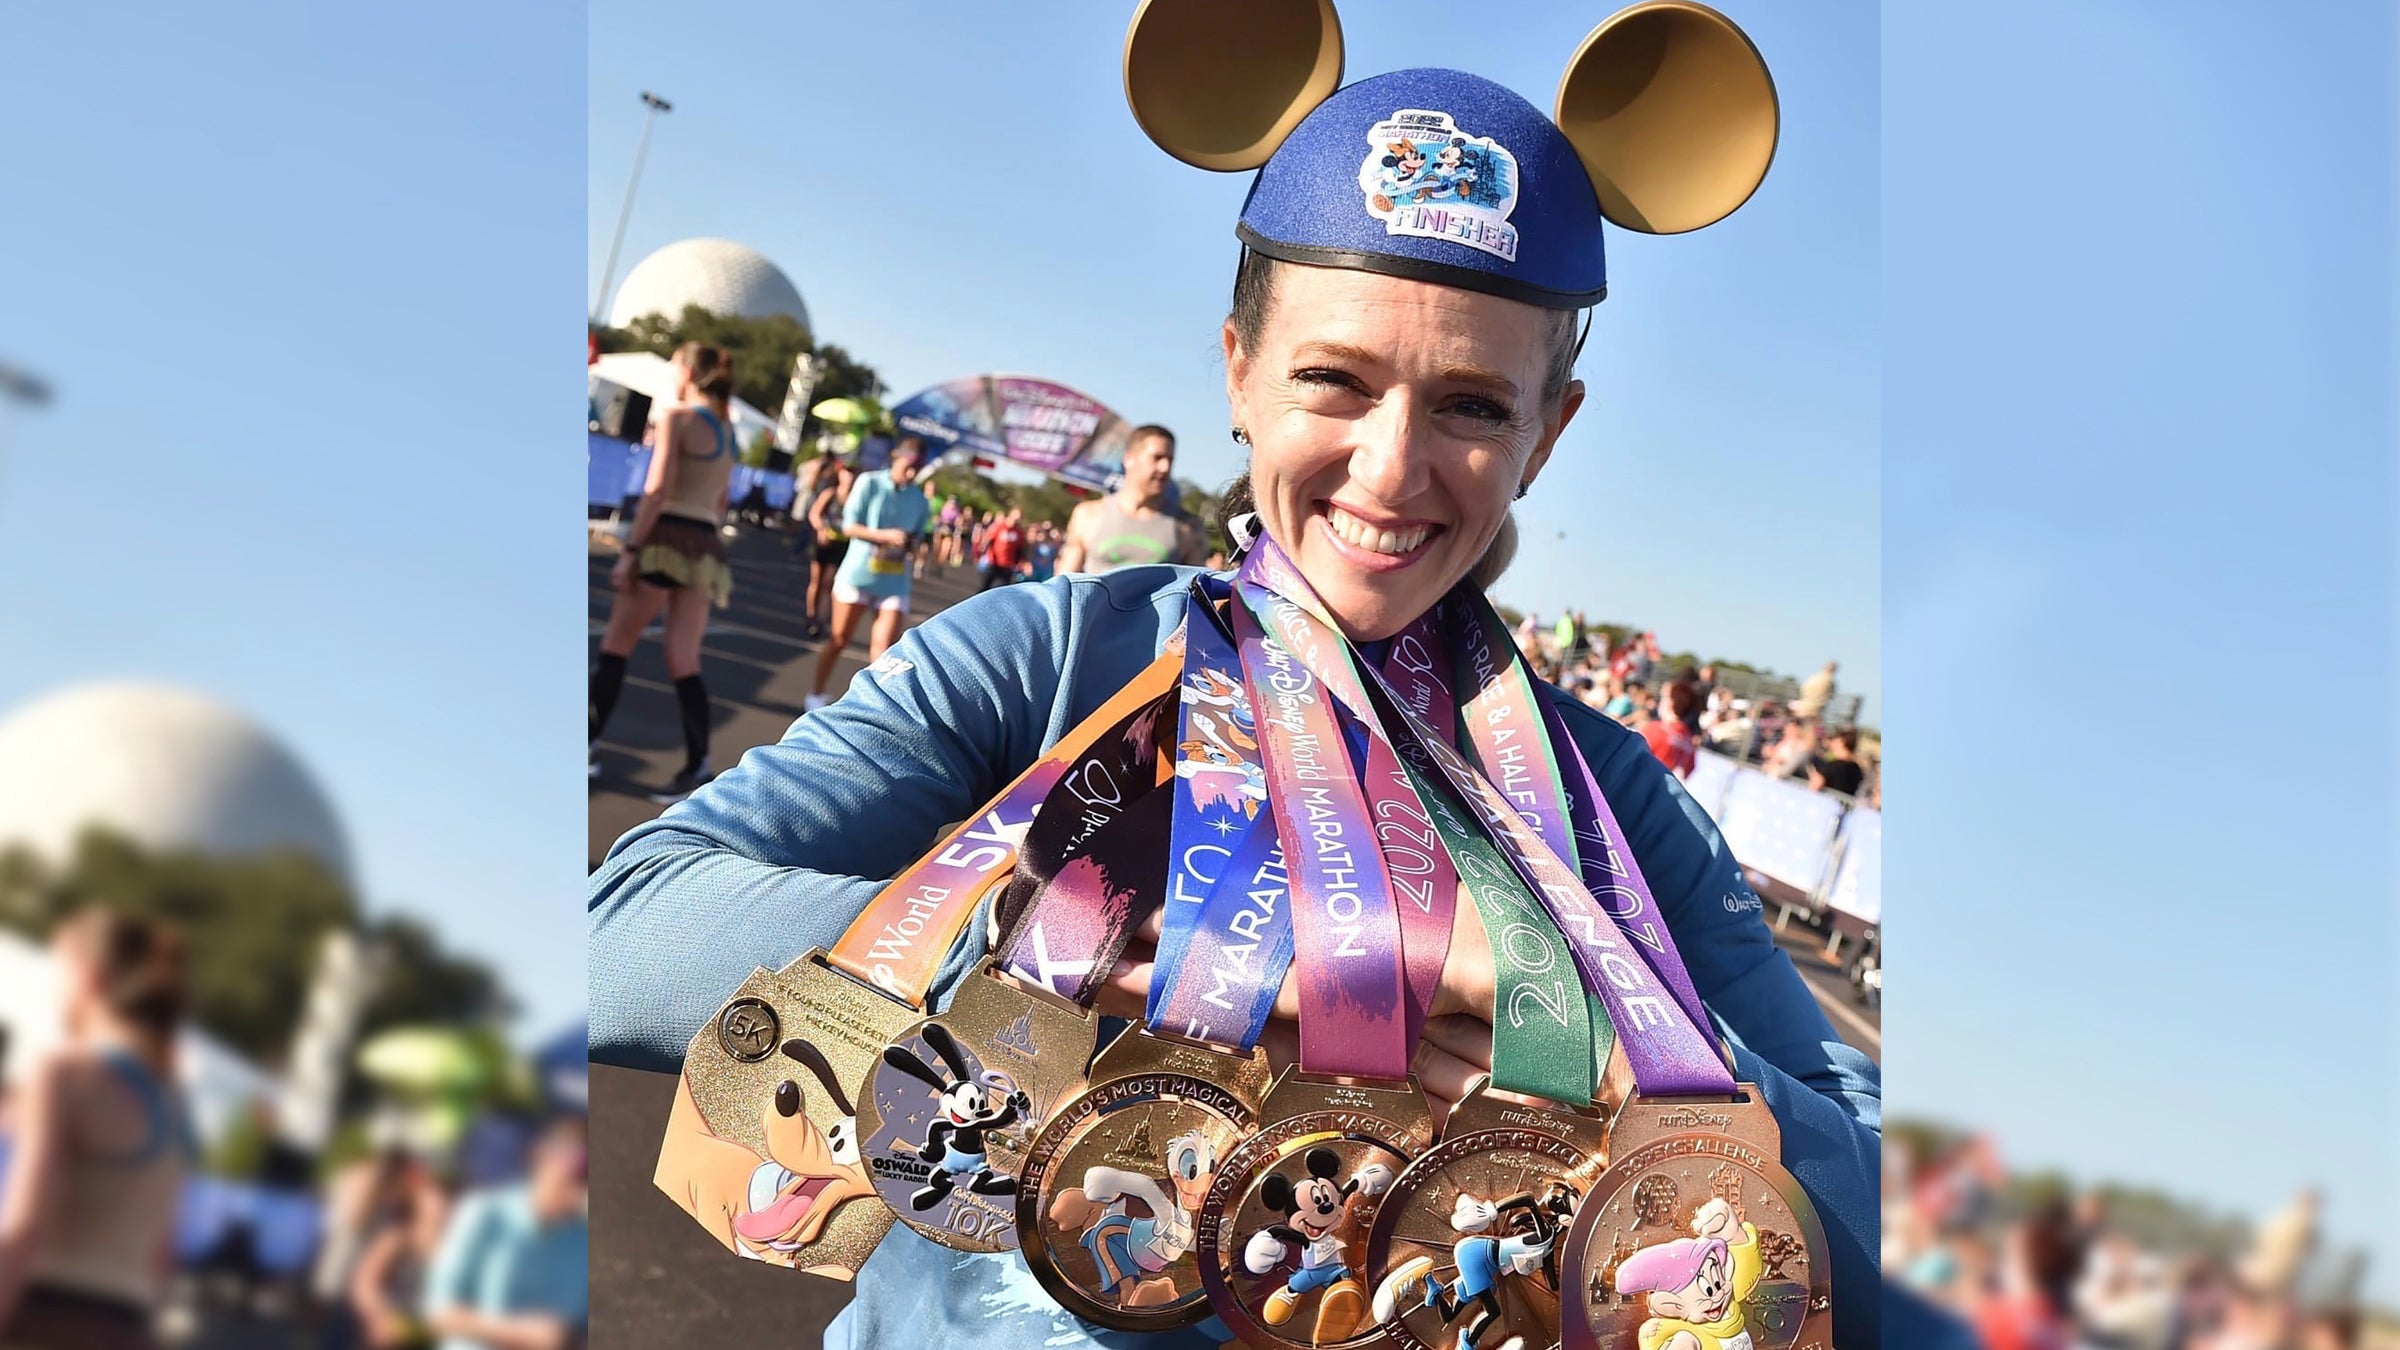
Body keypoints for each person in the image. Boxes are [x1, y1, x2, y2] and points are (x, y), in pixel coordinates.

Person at [590, 33, 1877, 1350]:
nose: (1392, 468)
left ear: (1548, 434)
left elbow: (1904, 1216)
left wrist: (1621, 1054)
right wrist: (1071, 935)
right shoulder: (1048, 656)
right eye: (1335, 380)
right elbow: (616, 932)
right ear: (1239, 371)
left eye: (1475, 407)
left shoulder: (1618, 799)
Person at [0, 909, 195, 1350]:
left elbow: (25, 1225)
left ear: (88, 977)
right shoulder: (175, 1099)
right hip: (128, 1327)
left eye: (58, 975)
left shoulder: (65, 1073)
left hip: (44, 1318)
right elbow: (164, 1255)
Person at [588, 342, 739, 802]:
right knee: (684, 659)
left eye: (675, 366)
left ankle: (586, 748)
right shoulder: (728, 429)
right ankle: (698, 765)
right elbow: (720, 500)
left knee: (617, 645)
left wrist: (631, 550)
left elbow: (656, 489)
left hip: (666, 537)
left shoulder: (677, 418)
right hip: (704, 544)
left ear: (688, 372)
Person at [421, 1117, 587, 1350]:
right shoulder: (485, 1213)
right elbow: (438, 1311)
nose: (579, 1185)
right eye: (577, 1169)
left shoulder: (584, 1243)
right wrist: (519, 1332)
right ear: (543, 1158)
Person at [805, 438, 932, 711]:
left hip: (894, 580)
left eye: (918, 468)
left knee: (885, 652)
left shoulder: (920, 499)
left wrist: (909, 543)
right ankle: (816, 693)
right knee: (839, 640)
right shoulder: (869, 483)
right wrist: (883, 536)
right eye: (908, 466)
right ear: (897, 458)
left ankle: (873, 711)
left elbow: (919, 537)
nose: (912, 473)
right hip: (859, 574)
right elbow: (849, 526)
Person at [1058, 425, 1207, 574]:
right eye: (1157, 458)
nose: (1165, 467)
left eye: (1170, 460)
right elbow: (1065, 579)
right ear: (1129, 459)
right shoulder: (1088, 514)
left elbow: (1198, 584)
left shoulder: (1189, 526)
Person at [346, 1157, 456, 1350]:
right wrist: (383, 1316)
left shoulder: (458, 1249)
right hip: (391, 1333)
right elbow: (364, 1284)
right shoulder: (399, 1238)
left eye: (448, 1195)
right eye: (435, 1192)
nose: (441, 1201)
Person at [801, 458, 856, 641]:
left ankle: (821, 621)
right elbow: (814, 513)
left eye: (852, 473)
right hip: (824, 542)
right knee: (816, 581)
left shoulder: (856, 498)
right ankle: (811, 614)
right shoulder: (830, 493)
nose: (849, 477)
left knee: (828, 583)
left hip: (842, 544)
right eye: (846, 472)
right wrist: (821, 530)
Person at [1642, 681, 1699, 777]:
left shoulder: (1655, 729)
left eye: (1664, 697)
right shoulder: (1688, 738)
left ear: (1672, 702)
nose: (1660, 702)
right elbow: (1689, 768)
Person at [977, 506, 1028, 593]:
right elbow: (989, 539)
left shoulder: (1018, 532)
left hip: (1008, 565)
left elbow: (1021, 548)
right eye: (1016, 515)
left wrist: (1020, 562)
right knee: (984, 588)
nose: (1017, 518)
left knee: (1002, 590)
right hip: (994, 562)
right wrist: (984, 549)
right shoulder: (1000, 527)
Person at [1809, 727, 1868, 797]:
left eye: (1833, 738)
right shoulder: (1856, 768)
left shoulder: (1834, 766)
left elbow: (1814, 786)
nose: (1831, 742)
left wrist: (1814, 777)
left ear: (1842, 741)